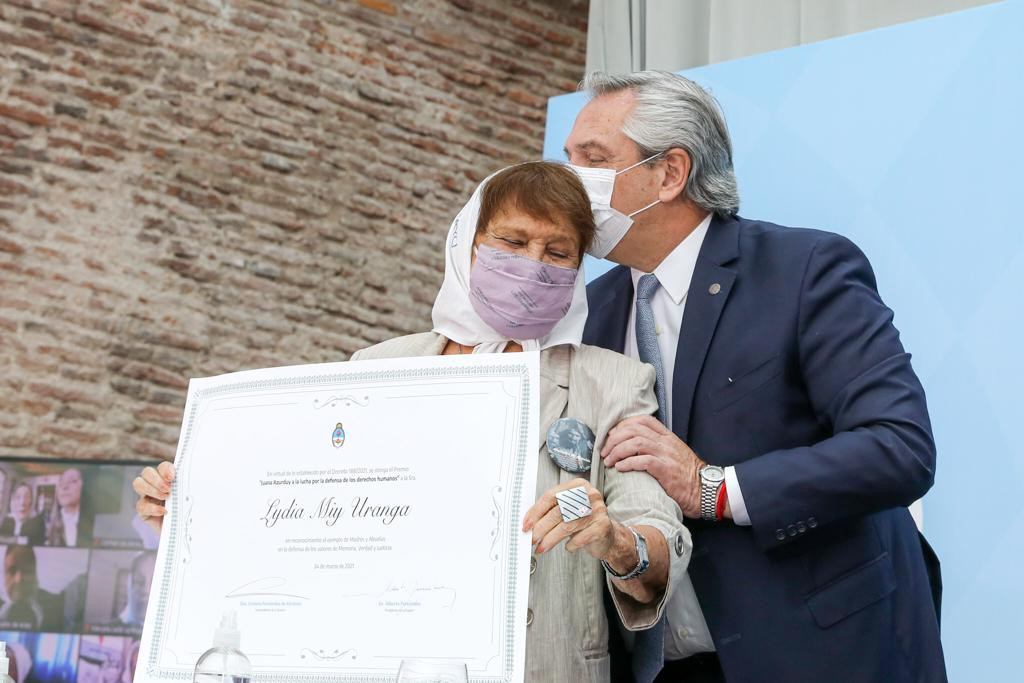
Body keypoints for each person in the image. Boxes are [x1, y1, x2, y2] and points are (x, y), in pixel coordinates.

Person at [134, 161, 691, 682]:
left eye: (558, 251)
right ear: (467, 246)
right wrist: (197, 519)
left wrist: (615, 541)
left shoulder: (614, 383)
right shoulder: (375, 368)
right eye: (513, 242)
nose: (533, 264)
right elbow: (313, 514)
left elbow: (658, 542)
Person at [566, 70, 945, 682]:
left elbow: (898, 447)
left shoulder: (805, 271)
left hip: (820, 655)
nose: (570, 180)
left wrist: (713, 487)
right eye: (568, 159)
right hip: (657, 664)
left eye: (594, 158)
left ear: (670, 173)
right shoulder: (585, 314)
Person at [0, 546, 64, 631]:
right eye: (12, 571)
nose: (18, 580)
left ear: (35, 575)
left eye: (26, 570)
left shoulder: (57, 608)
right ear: (4, 575)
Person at [45, 467, 94, 547]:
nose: (64, 487)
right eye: (61, 483)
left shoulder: (94, 522)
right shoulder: (48, 523)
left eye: (72, 481)